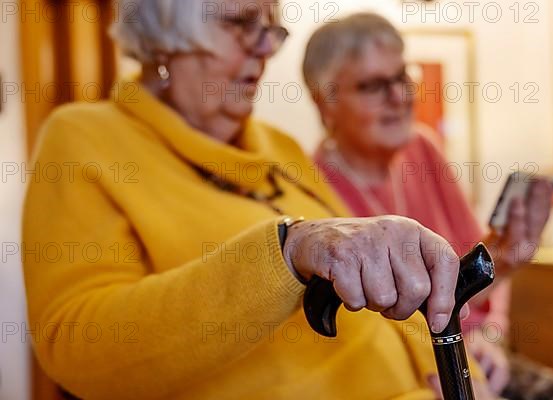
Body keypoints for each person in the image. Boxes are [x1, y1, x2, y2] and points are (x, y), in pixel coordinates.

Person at [22, 1, 490, 399]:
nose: (266, 50)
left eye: (269, 29)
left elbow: (383, 304)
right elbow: (77, 342)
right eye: (241, 24)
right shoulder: (85, 138)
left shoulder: (279, 147)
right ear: (165, 31)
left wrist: (458, 365)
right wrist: (287, 251)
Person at [304, 13, 553, 398]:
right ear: (326, 103)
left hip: (481, 360)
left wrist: (491, 331)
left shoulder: (423, 149)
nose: (398, 97)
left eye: (401, 77)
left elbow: (478, 271)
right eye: (372, 86)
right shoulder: (310, 188)